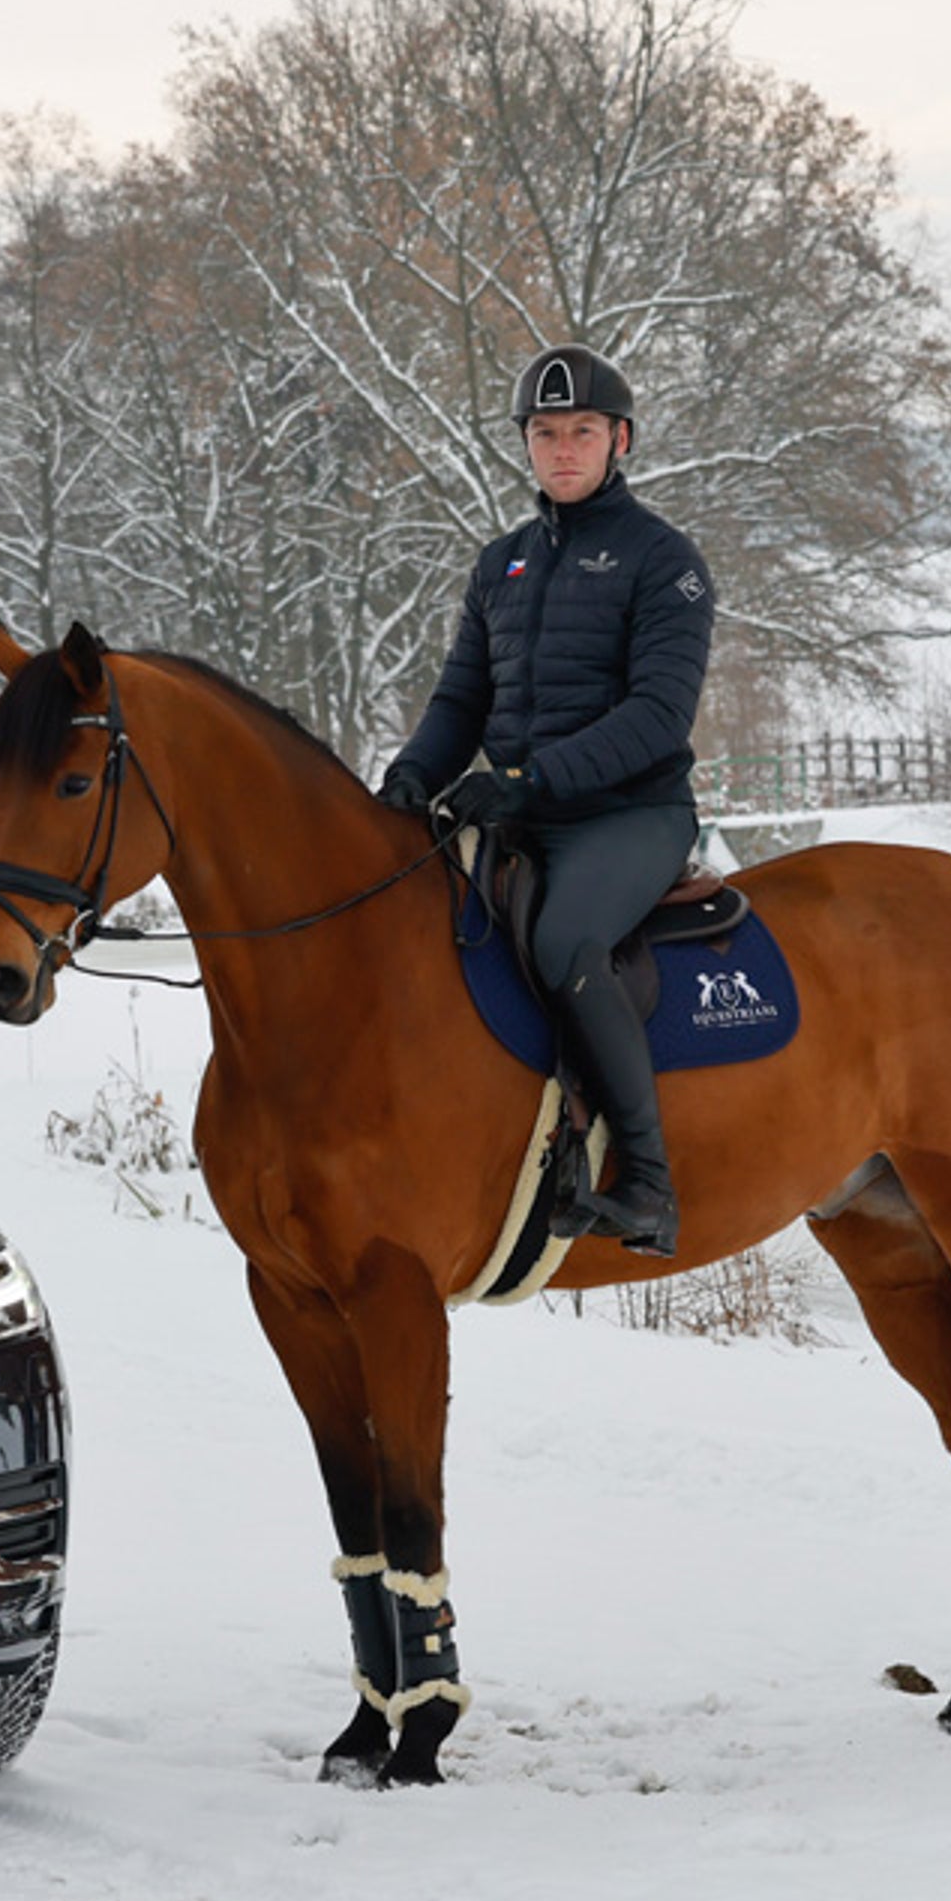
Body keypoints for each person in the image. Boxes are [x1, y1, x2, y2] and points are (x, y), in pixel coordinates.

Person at [375, 345, 711, 1256]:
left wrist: (529, 781)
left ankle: (646, 1180)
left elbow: (656, 715)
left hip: (630, 813)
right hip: (519, 810)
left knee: (566, 940)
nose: (563, 450)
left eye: (583, 432)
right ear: (527, 445)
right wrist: (412, 778)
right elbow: (460, 704)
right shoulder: (500, 568)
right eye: (545, 433)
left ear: (620, 441)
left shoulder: (665, 562)